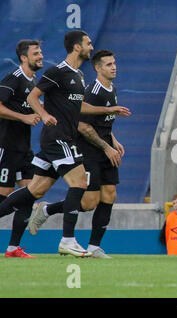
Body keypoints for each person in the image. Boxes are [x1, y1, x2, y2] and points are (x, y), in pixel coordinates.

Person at [0, 30, 131, 258]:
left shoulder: (79, 75)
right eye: (88, 43)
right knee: (79, 182)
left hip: (63, 139)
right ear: (77, 47)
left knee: (35, 189)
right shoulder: (57, 71)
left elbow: (79, 107)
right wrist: (44, 113)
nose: (92, 47)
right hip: (57, 138)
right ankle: (67, 240)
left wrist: (108, 110)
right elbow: (33, 97)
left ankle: (35, 235)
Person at [27, 50, 124, 259]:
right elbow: (81, 124)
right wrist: (106, 147)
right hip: (89, 150)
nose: (113, 67)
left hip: (106, 150)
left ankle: (94, 247)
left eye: (114, 63)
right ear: (97, 68)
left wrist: (113, 141)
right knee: (89, 203)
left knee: (110, 195)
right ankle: (46, 210)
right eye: (108, 64)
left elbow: (104, 122)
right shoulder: (92, 91)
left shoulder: (112, 89)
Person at [0, 40, 43, 257]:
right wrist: (23, 117)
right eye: (36, 53)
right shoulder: (13, 79)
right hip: (6, 146)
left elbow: (31, 106)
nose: (41, 56)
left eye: (40, 52)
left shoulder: (33, 81)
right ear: (24, 57)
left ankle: (13, 247)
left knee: (30, 192)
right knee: (4, 194)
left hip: (24, 148)